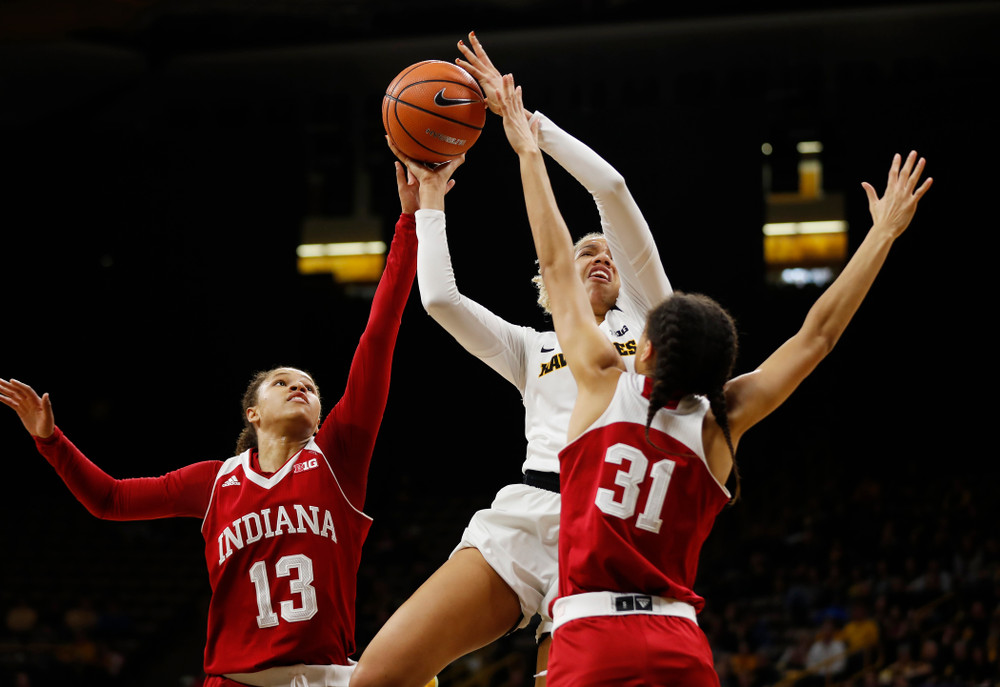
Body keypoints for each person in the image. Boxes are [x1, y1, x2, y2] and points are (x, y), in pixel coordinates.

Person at [492, 73, 931, 686]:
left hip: (592, 634)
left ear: (642, 348)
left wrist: (527, 151)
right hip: (677, 641)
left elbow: (555, 264)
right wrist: (882, 234)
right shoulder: (722, 419)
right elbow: (817, 336)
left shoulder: (601, 382)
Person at [0, 160, 461, 687]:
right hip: (235, 681)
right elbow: (110, 501)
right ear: (253, 412)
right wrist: (49, 440)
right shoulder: (214, 481)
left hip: (326, 677)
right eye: (284, 382)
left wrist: (408, 222)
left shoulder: (338, 457)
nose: (301, 388)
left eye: (310, 386)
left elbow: (378, 335)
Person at [350, 32, 671, 687]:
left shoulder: (650, 320)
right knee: (377, 675)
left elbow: (610, 188)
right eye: (581, 252)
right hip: (527, 510)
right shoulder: (533, 347)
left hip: (612, 529)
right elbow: (440, 300)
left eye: (604, 251)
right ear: (546, 282)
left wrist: (526, 125)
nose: (598, 253)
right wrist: (433, 200)